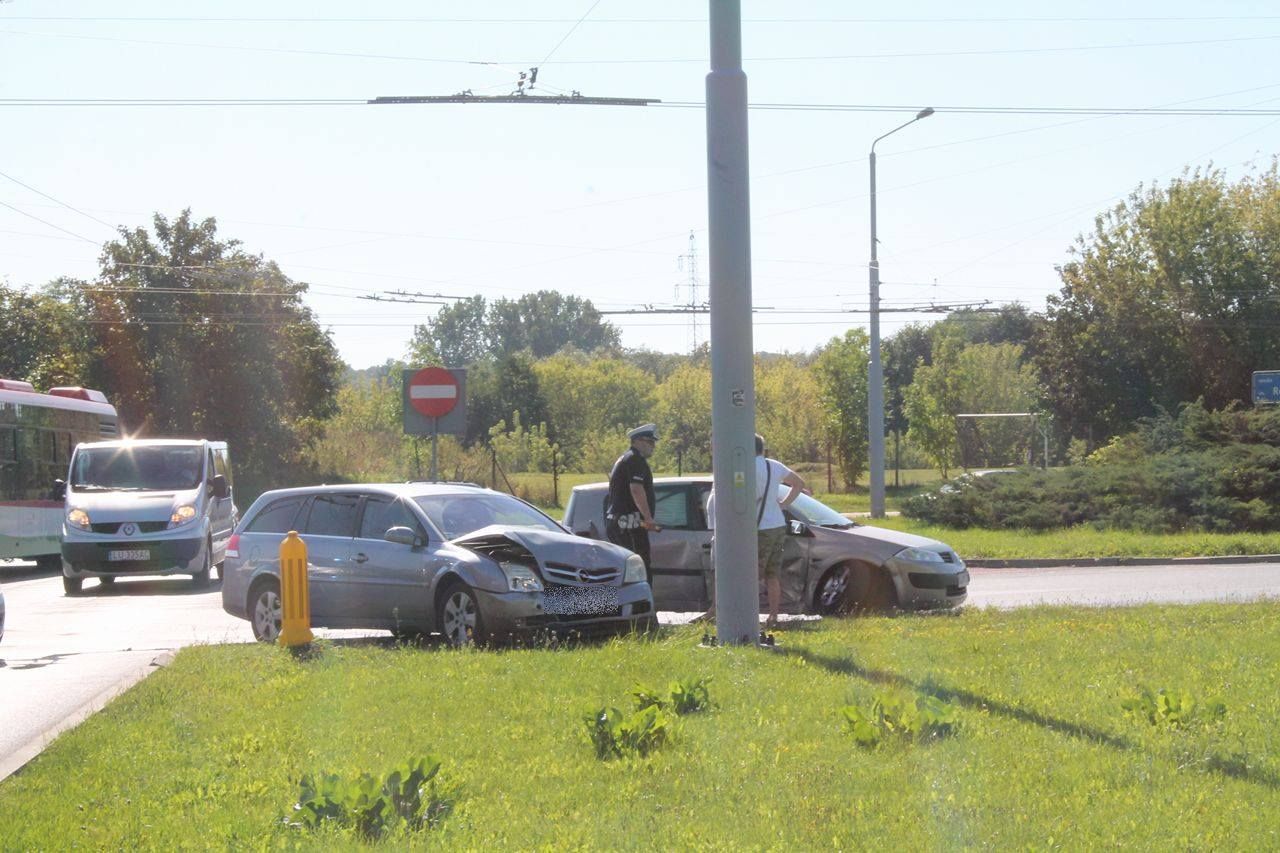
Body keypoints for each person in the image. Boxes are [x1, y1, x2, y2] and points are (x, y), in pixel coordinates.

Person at [703, 433, 808, 628]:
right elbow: (799, 484)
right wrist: (783, 505)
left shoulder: (745, 468)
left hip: (758, 528)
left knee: (750, 574)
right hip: (777, 524)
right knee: (772, 574)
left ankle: (745, 617)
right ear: (762, 448)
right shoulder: (773, 465)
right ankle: (773, 616)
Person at [605, 423, 661, 582]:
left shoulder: (627, 458)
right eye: (650, 442)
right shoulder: (635, 460)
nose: (653, 446)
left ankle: (636, 605)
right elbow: (636, 489)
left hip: (624, 523)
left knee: (630, 568)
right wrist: (648, 518)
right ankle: (640, 605)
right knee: (637, 568)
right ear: (638, 441)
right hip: (628, 524)